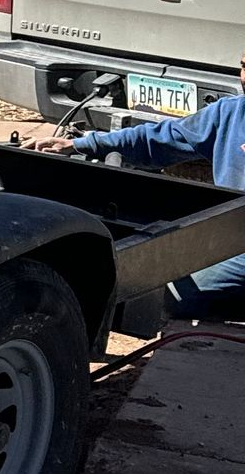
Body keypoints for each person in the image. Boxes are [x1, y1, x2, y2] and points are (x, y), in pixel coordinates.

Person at [29, 54, 245, 319]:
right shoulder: (230, 113)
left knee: (170, 295)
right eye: (244, 66)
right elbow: (159, 138)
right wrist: (81, 144)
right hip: (229, 240)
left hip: (237, 250)